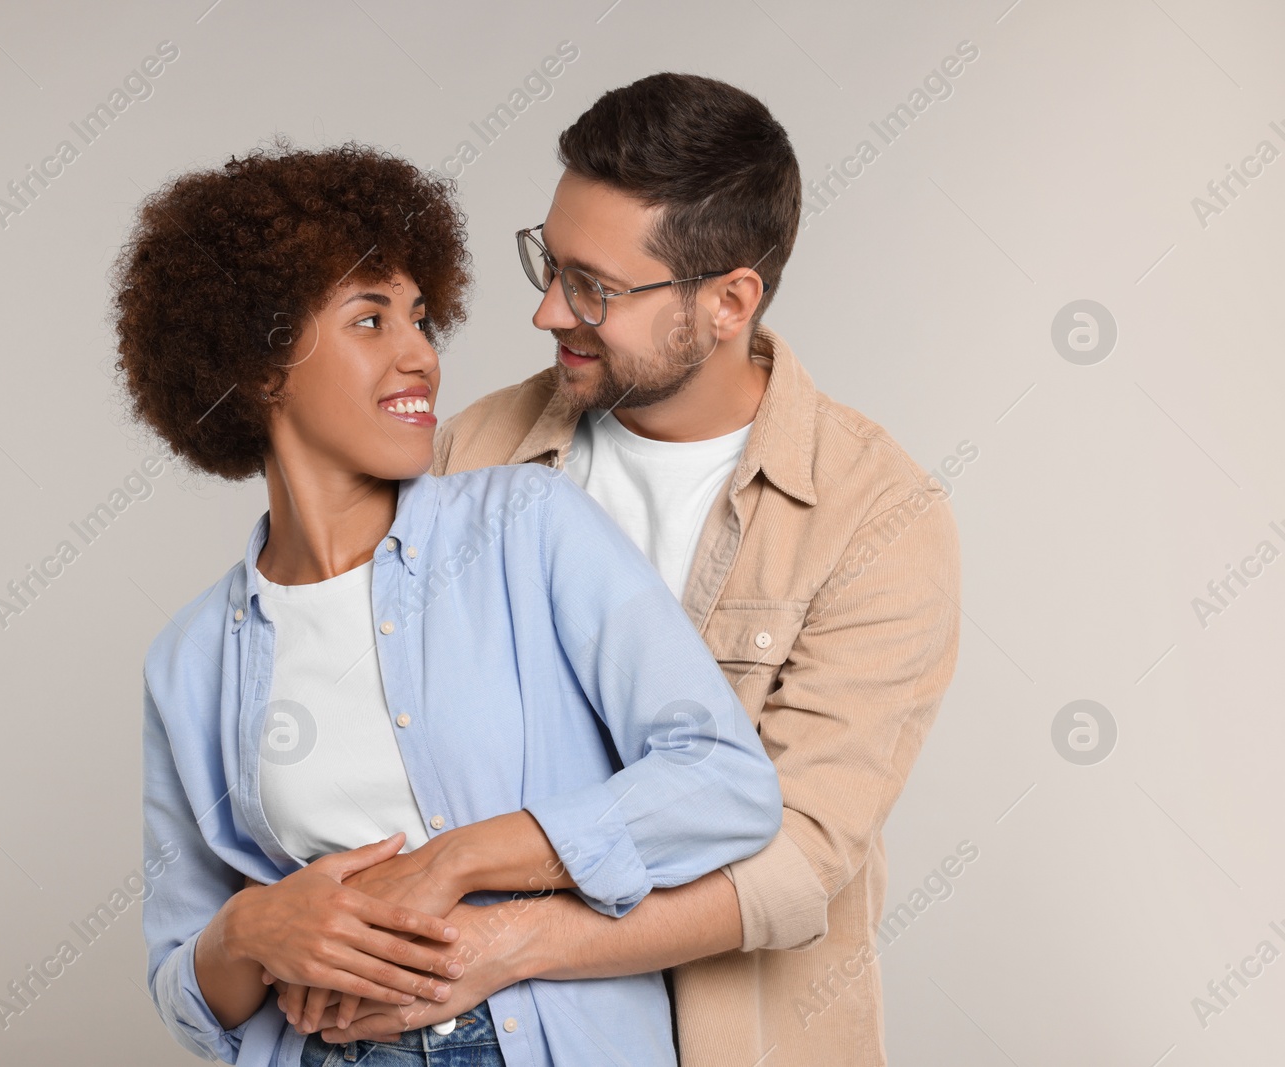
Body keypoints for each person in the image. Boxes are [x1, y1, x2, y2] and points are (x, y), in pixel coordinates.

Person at [295, 73, 962, 1067]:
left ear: (729, 299)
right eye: (549, 263)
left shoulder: (876, 516)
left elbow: (796, 860)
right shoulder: (469, 452)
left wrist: (507, 940)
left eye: (594, 287)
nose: (547, 311)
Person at [112, 139, 784, 1066]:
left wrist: (456, 860)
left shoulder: (529, 526)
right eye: (369, 320)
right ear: (260, 362)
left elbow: (723, 780)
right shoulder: (188, 660)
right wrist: (253, 931)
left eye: (422, 318)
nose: (420, 354)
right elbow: (186, 987)